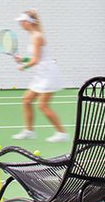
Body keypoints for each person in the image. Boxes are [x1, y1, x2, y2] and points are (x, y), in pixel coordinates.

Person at [12, 10, 68, 143]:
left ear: (29, 22)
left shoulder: (37, 37)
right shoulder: (33, 36)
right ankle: (29, 131)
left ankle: (62, 133)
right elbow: (37, 57)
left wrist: (23, 66)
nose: (20, 24)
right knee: (26, 100)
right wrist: (23, 59)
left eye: (22, 21)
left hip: (48, 74)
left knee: (42, 105)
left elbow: (36, 60)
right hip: (41, 74)